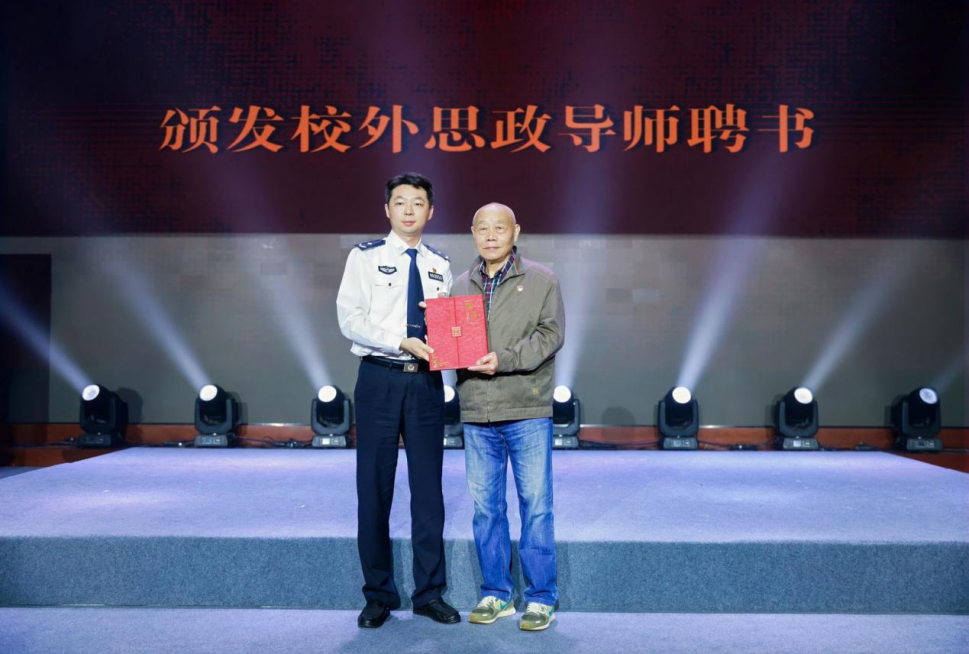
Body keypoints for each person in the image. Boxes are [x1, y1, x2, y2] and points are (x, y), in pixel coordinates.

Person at [336, 172, 459, 628]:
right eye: (401, 202)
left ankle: (429, 593)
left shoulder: (440, 264)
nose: (409, 210)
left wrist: (457, 345)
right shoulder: (365, 257)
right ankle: (378, 595)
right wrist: (399, 341)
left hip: (426, 384)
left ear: (431, 211)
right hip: (380, 379)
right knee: (374, 489)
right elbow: (350, 319)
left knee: (428, 491)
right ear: (386, 209)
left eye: (418, 202)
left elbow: (448, 330)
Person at [450, 202, 565, 631]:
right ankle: (496, 593)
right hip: (477, 411)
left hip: (526, 407)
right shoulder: (459, 284)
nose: (491, 235)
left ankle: (540, 597)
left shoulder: (541, 279)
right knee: (486, 509)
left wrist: (505, 359)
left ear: (515, 232)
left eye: (499, 228)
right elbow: (453, 342)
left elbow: (551, 335)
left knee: (536, 507)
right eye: (483, 228)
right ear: (473, 233)